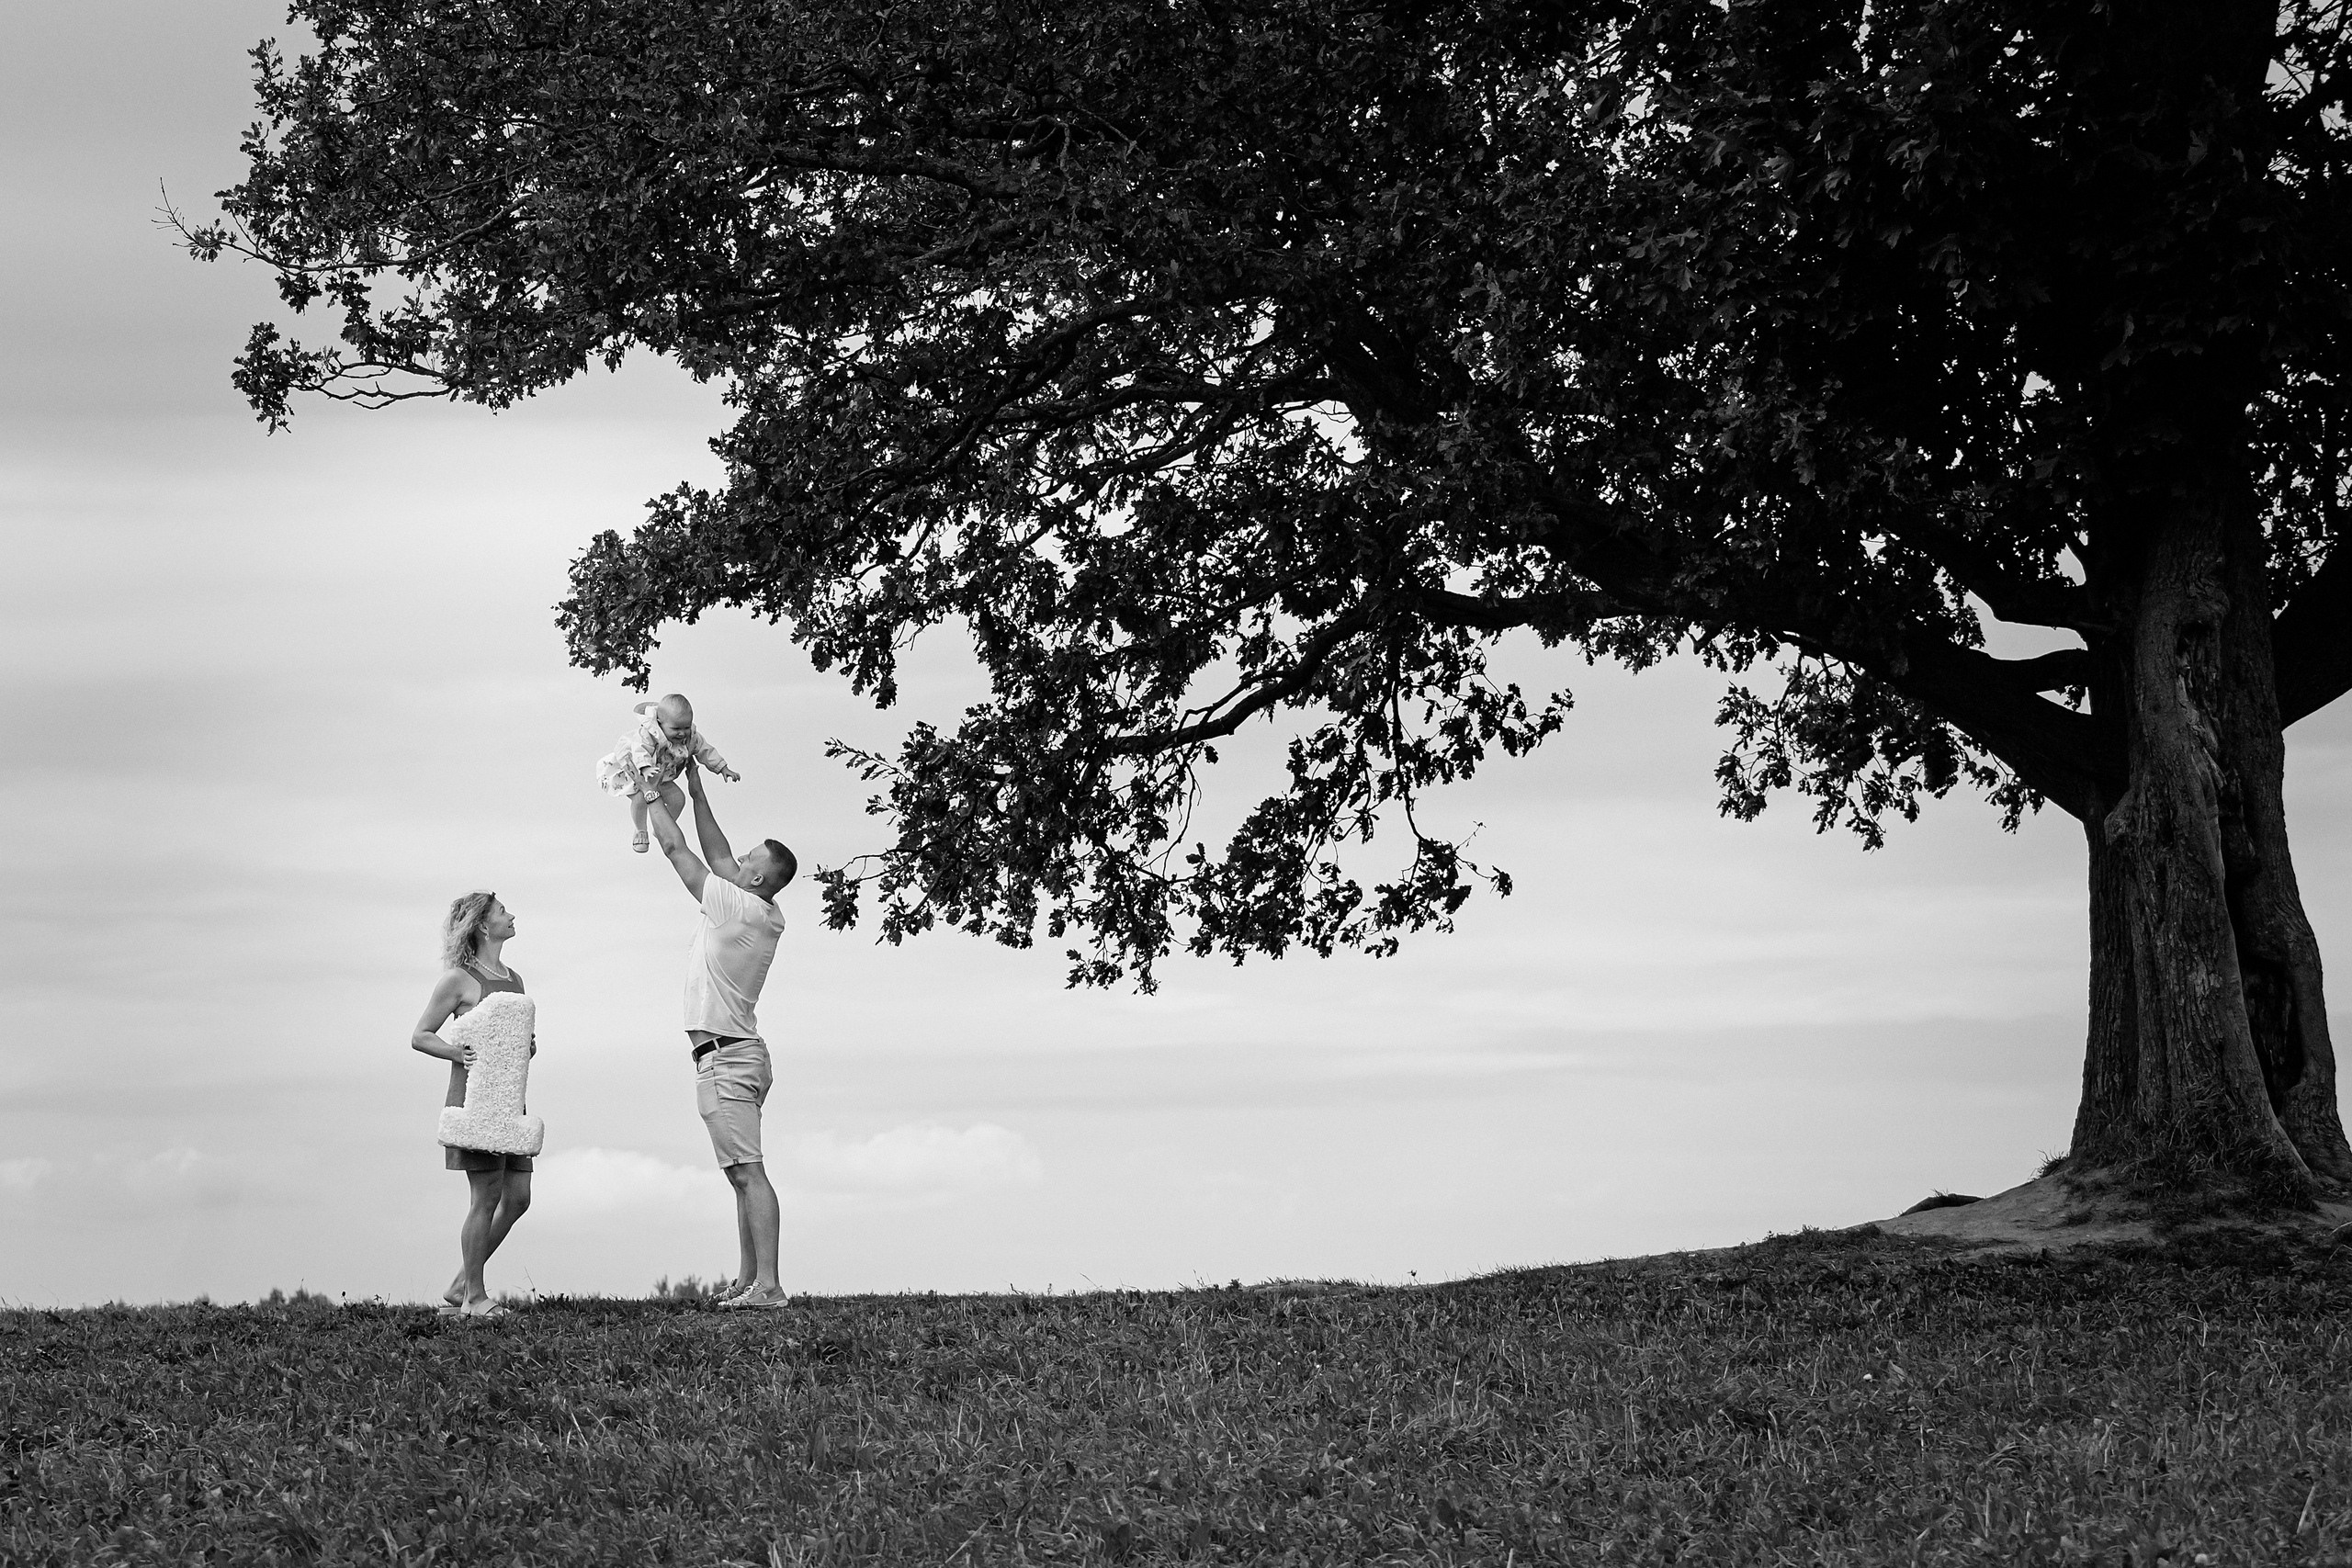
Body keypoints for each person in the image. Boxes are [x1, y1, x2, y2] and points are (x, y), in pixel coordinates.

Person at [644, 761, 796, 1310]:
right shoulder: (762, 908)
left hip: (726, 1060)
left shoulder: (735, 906)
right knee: (740, 1174)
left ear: (755, 878)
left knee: (749, 1173)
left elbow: (678, 850)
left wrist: (644, 790)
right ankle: (749, 1280)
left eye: (748, 860)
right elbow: (718, 850)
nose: (736, 861)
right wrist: (694, 782)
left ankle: (770, 1287)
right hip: (739, 1054)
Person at [409, 890, 536, 1317]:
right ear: (484, 925)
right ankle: (475, 1299)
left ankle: (463, 1282)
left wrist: (526, 1046)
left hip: (510, 1103)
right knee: (485, 1198)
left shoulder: (515, 979)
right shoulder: (457, 980)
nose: (512, 915)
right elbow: (421, 1034)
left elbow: (513, 1042)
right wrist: (456, 1052)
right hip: (474, 1102)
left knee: (518, 1198)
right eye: (504, 911)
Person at [596, 694, 742, 852]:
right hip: (639, 775)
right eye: (676, 729)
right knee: (640, 798)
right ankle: (640, 830)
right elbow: (639, 750)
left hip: (662, 778)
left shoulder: (691, 737)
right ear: (660, 724)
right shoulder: (649, 735)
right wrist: (645, 767)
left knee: (679, 799)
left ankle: (662, 827)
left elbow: (705, 750)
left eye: (686, 727)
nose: (682, 733)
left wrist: (722, 768)